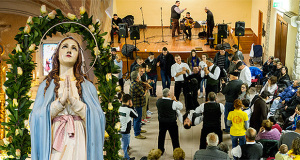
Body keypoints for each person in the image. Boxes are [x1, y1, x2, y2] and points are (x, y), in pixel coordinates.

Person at [30, 37, 105, 159]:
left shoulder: (87, 86)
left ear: (78, 57)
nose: (69, 50)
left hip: (79, 138)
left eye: (74, 48)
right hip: (54, 138)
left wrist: (76, 103)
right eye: (65, 47)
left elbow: (98, 117)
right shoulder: (46, 86)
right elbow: (36, 117)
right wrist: (59, 104)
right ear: (57, 55)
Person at [156, 88, 183, 155]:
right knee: (174, 138)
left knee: (161, 136)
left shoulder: (158, 101)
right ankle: (176, 152)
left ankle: (160, 150)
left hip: (162, 122)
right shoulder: (173, 102)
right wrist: (176, 100)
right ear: (169, 94)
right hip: (172, 122)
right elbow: (181, 107)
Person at [119, 94, 138, 160]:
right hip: (126, 131)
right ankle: (125, 158)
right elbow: (136, 115)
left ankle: (127, 157)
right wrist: (132, 107)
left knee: (123, 146)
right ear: (129, 101)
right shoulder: (129, 110)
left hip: (119, 129)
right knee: (124, 147)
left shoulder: (119, 108)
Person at [129, 71, 147, 139]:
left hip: (137, 103)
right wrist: (146, 89)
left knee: (138, 118)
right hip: (137, 104)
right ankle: (137, 133)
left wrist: (145, 83)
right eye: (139, 75)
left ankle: (139, 129)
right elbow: (143, 93)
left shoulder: (135, 82)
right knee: (137, 118)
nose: (140, 76)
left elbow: (140, 82)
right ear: (137, 77)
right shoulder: (135, 85)